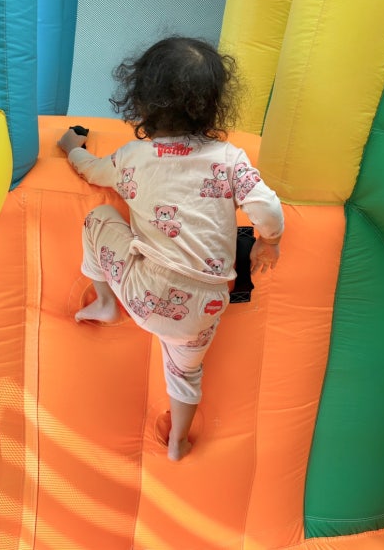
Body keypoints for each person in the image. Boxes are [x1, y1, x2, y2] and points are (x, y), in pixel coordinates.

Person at [57, 36, 284, 461]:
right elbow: (269, 210)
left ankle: (105, 303)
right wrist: (267, 244)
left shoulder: (133, 158)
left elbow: (94, 172)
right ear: (214, 107)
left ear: (142, 103)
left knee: (98, 219)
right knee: (185, 371)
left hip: (143, 293)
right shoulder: (230, 159)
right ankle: (178, 441)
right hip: (205, 307)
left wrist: (72, 150)